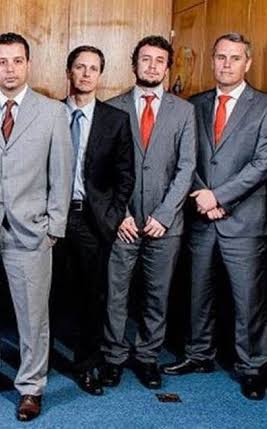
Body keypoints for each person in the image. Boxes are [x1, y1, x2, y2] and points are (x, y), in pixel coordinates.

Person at [0, 32, 72, 421]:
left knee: (32, 316)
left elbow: (62, 174)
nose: (10, 69)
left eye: (17, 61)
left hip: (32, 231)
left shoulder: (52, 113)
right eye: (2, 62)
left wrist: (54, 227)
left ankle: (30, 387)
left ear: (28, 64)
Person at [161, 33, 267, 401]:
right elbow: (184, 158)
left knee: (248, 299)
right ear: (212, 61)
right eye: (221, 57)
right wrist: (203, 197)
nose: (227, 64)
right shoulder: (195, 105)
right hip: (201, 217)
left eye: (235, 58)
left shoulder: (264, 106)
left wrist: (219, 197)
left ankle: (252, 366)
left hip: (244, 220)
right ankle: (199, 354)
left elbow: (263, 163)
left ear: (247, 63)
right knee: (198, 292)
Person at [102, 36, 196, 390]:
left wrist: (165, 214)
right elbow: (102, 169)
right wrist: (120, 214)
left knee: (157, 294)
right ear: (134, 64)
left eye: (160, 60)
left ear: (167, 67)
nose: (152, 66)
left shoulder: (183, 111)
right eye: (146, 59)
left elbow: (187, 167)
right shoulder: (112, 108)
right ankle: (113, 357)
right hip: (122, 222)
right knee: (115, 294)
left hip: (164, 223)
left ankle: (146, 357)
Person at [50, 45, 134, 396]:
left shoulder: (116, 120)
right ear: (68, 72)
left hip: (92, 219)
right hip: (52, 217)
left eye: (93, 68)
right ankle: (40, 362)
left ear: (100, 74)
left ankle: (86, 366)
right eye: (80, 67)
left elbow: (125, 176)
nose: (86, 74)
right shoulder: (50, 114)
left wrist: (112, 218)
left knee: (91, 297)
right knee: (47, 294)